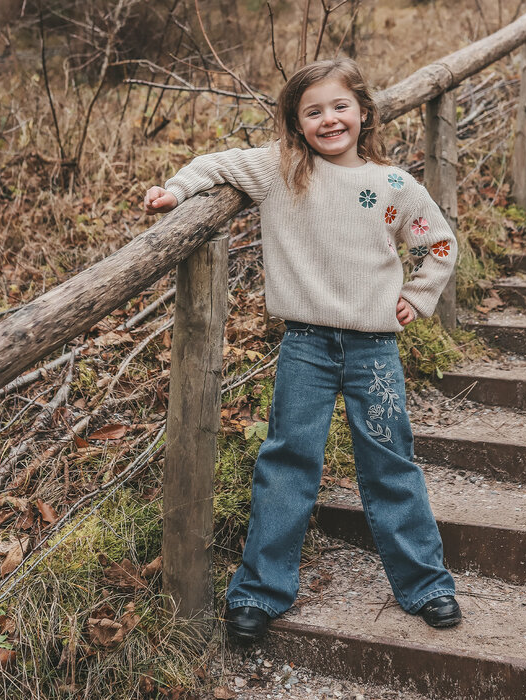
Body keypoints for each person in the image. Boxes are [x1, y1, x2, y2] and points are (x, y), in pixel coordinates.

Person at [144, 58, 460, 643]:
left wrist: (418, 297)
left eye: (340, 106)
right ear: (295, 122)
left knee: (390, 462)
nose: (329, 119)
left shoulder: (393, 185)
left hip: (375, 350)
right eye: (312, 111)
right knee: (288, 461)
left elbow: (439, 242)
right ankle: (260, 593)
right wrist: (177, 189)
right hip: (306, 346)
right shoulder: (280, 170)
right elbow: (215, 163)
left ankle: (427, 584)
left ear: (364, 112)